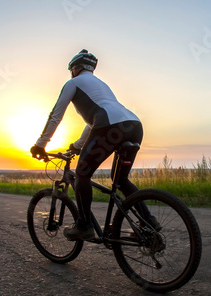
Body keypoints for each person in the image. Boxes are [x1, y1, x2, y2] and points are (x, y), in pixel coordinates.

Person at [31, 49, 160, 240]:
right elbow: (94, 122)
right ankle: (148, 221)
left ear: (74, 68)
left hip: (109, 125)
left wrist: (40, 144)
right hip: (133, 125)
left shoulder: (73, 83)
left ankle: (84, 226)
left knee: (82, 174)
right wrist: (76, 145)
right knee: (121, 180)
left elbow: (56, 115)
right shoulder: (101, 85)